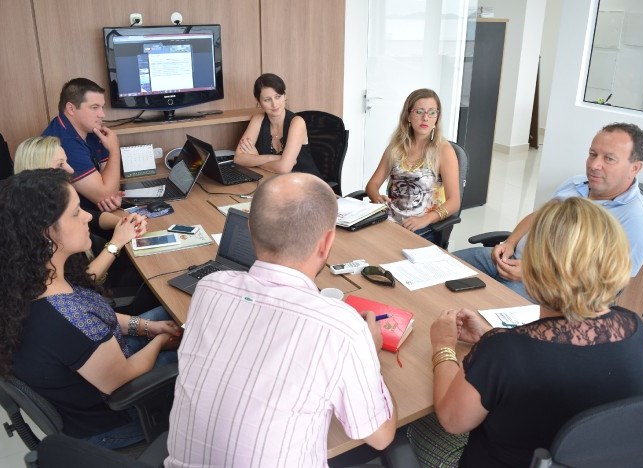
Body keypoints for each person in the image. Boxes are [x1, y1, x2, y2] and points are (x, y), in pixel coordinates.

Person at [166, 173, 396, 468]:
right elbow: (380, 436)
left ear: (251, 230)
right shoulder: (343, 328)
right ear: (326, 243)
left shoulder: (210, 287)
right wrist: (371, 356)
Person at [408, 197, 643, 467]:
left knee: (412, 429)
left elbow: (451, 420)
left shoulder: (503, 353)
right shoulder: (633, 330)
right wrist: (491, 340)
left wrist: (443, 346)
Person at [0, 169, 182, 449]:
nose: (87, 216)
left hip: (93, 369)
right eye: (76, 213)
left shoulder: (29, 279)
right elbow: (121, 378)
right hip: (120, 414)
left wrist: (149, 327)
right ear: (46, 232)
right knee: (207, 354)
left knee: (171, 314)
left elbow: (98, 319)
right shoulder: (62, 320)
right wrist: (158, 341)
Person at [454, 122, 643, 300]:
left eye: (609, 159)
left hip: (550, 291)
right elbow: (537, 217)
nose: (594, 165)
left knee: (474, 315)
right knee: (443, 266)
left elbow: (609, 285)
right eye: (592, 154)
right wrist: (510, 242)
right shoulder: (576, 184)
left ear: (635, 168)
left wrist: (535, 273)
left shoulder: (637, 220)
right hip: (511, 261)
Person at [13, 136, 146, 285]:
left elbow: (94, 218)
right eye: (60, 164)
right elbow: (80, 284)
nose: (71, 170)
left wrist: (125, 222)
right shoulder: (38, 226)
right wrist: (117, 242)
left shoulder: (52, 203)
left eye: (67, 162)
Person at [365, 88, 460, 244]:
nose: (425, 118)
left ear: (437, 117)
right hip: (389, 218)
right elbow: (373, 184)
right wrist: (376, 197)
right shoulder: (396, 147)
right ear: (408, 116)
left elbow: (454, 201)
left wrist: (426, 219)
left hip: (422, 226)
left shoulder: (443, 150)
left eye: (432, 112)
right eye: (419, 112)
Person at [42, 77, 123, 212]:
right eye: (94, 107)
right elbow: (106, 193)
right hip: (75, 221)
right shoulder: (63, 142)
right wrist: (114, 148)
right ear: (71, 109)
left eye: (101, 107)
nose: (102, 114)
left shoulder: (92, 130)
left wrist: (109, 193)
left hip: (96, 214)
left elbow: (111, 188)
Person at [233, 73, 321, 176]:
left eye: (278, 97)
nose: (274, 104)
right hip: (277, 181)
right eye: (267, 100)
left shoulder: (297, 123)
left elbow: (284, 168)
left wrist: (255, 159)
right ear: (259, 101)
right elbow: (238, 158)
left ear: (285, 96)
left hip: (305, 183)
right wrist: (272, 158)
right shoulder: (258, 119)